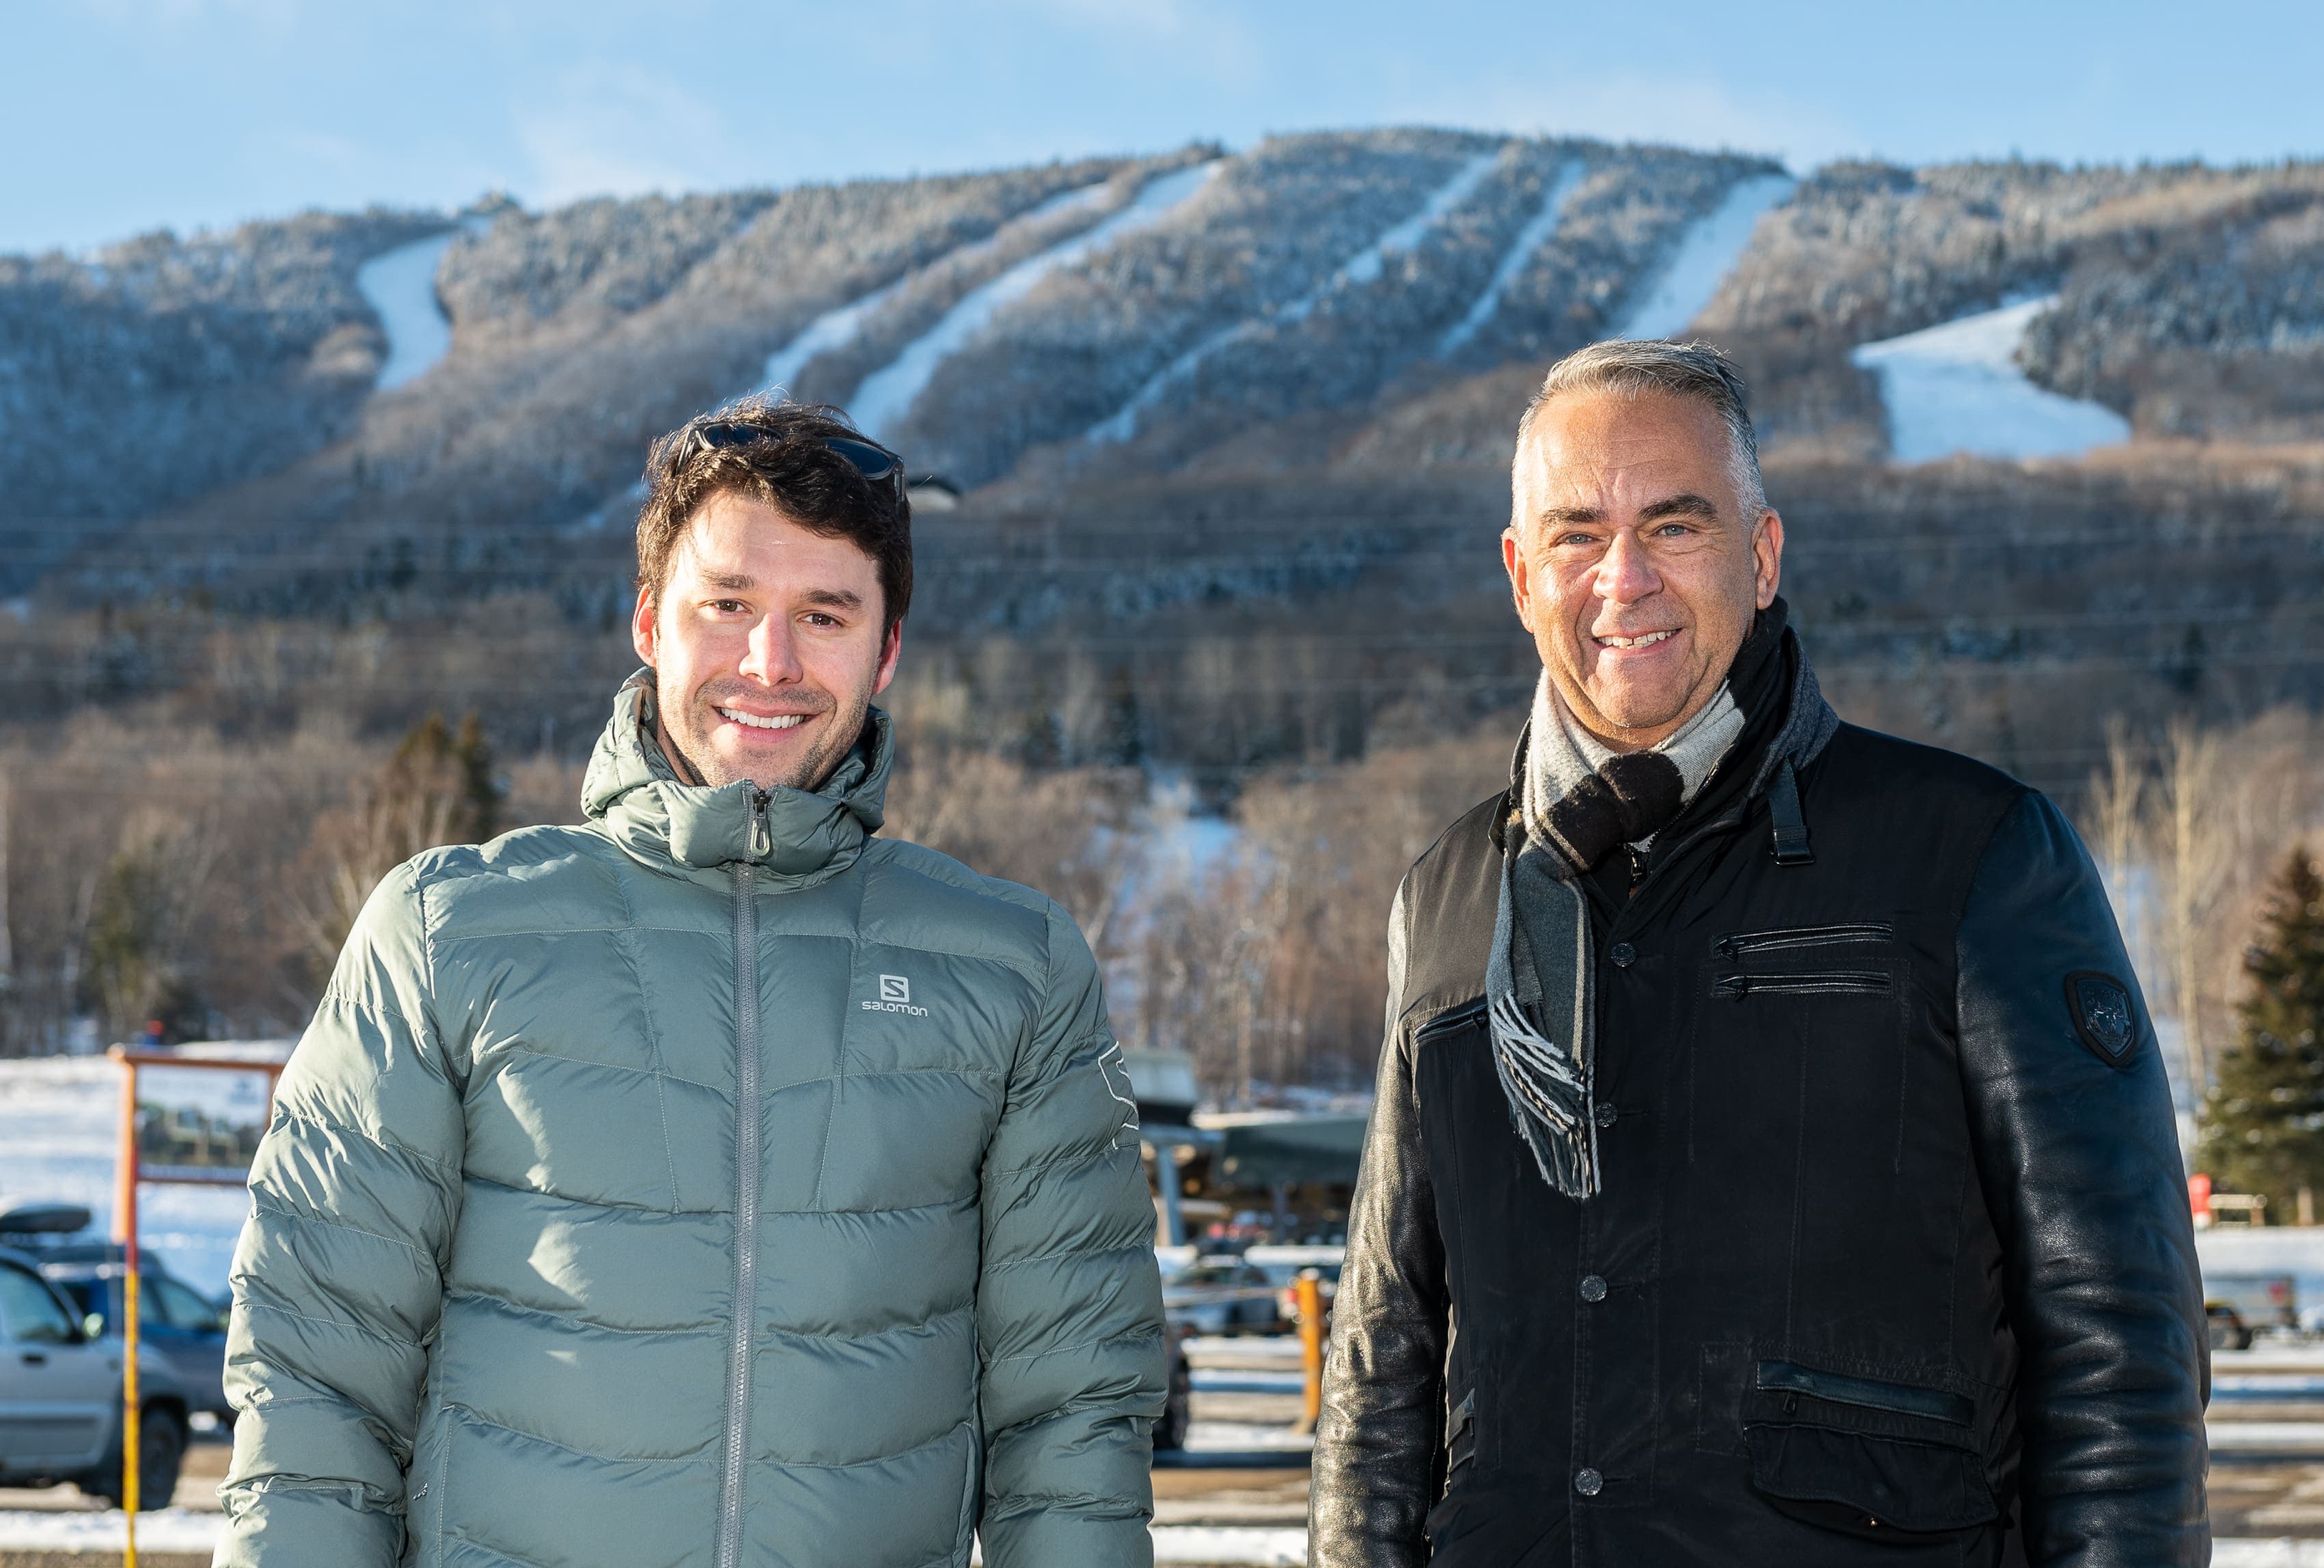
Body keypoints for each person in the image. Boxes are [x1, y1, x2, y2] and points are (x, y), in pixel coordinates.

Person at [217, 400, 1165, 1568]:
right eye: (728, 606)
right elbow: (316, 1374)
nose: (771, 662)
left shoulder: (1011, 964)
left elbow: (1073, 1414)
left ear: (888, 649)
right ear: (649, 624)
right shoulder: (449, 929)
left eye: (824, 615)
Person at [1309, 342, 2207, 1566]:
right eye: (1577, 534)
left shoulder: (1973, 856)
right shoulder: (1451, 898)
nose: (1624, 580)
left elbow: (2120, 1345)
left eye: (1675, 526)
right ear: (1522, 576)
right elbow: (1382, 1364)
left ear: (1764, 555)